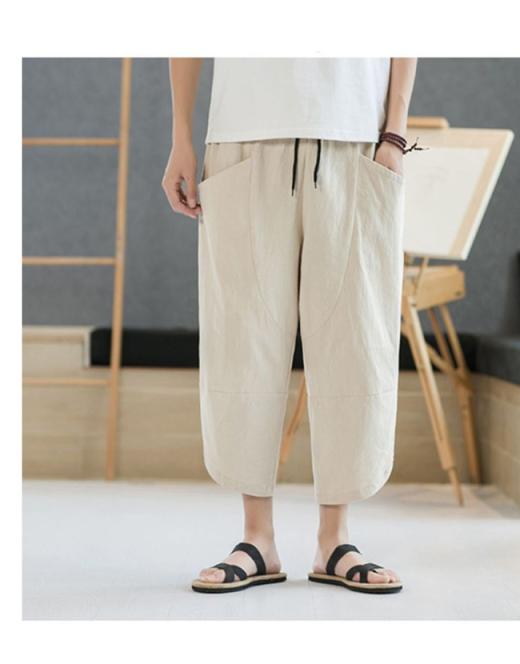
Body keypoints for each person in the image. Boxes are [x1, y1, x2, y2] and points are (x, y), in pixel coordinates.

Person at [163, 57, 417, 594]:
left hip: (355, 136)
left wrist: (395, 133)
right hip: (241, 133)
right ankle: (257, 538)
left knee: (355, 338)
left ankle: (335, 540)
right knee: (243, 338)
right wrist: (181, 136)